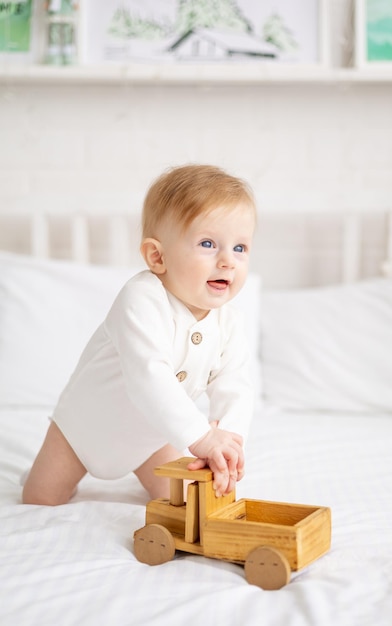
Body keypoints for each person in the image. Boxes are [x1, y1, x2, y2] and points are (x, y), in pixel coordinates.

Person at [22, 164, 257, 506]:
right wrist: (201, 437)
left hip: (153, 437)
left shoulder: (229, 322)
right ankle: (39, 476)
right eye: (208, 244)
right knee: (40, 500)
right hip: (81, 432)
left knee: (184, 504)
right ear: (157, 256)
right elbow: (150, 376)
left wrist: (227, 444)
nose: (228, 261)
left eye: (240, 248)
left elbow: (235, 385)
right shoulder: (142, 299)